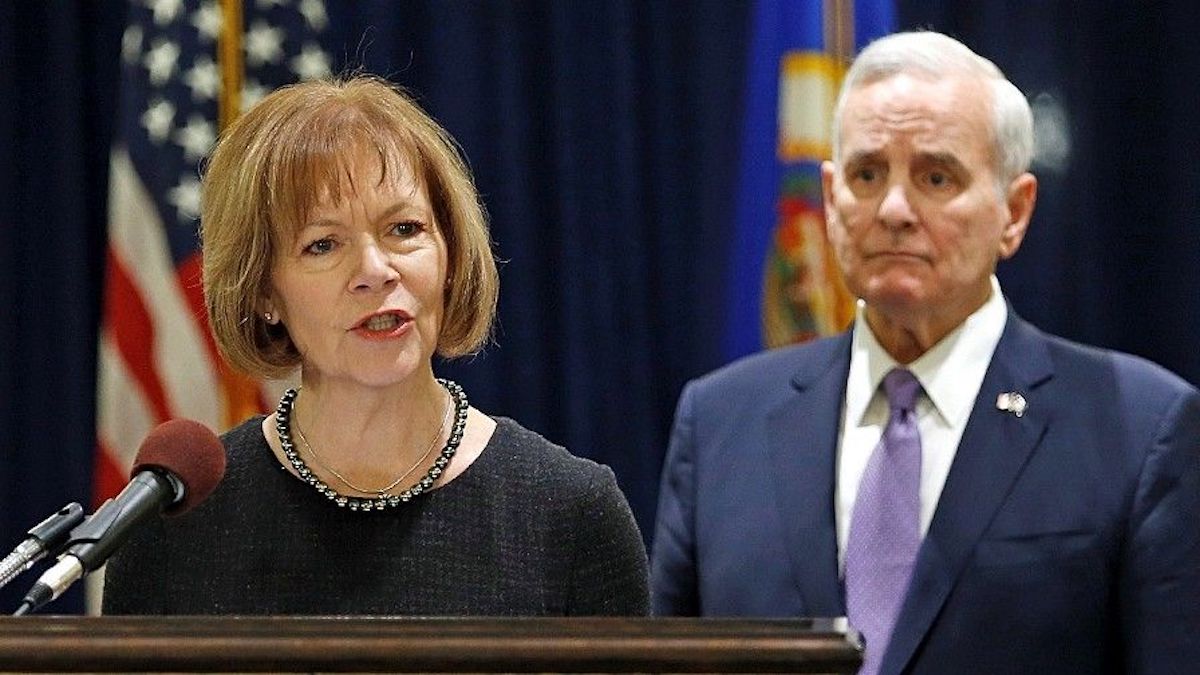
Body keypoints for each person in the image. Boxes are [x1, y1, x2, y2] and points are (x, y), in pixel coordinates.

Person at [651, 31, 1200, 674]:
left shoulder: (1140, 427)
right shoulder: (720, 422)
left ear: (1014, 212)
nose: (893, 209)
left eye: (936, 177)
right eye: (866, 174)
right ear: (830, 201)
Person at [103, 76, 649, 616]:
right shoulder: (178, 525)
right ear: (264, 291)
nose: (373, 270)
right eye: (323, 244)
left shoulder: (571, 514)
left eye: (404, 229)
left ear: (450, 256)